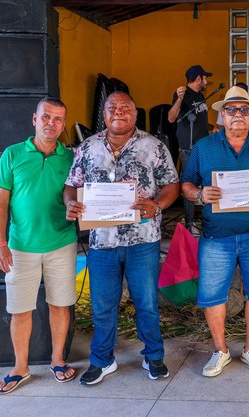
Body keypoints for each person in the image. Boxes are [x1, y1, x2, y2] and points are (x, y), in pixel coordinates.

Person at [64, 91, 179, 385]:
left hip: (143, 240)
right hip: (102, 242)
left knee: (147, 303)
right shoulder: (87, 147)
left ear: (135, 113)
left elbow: (171, 185)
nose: (118, 111)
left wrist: (158, 205)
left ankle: (153, 356)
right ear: (104, 114)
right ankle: (102, 360)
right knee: (103, 306)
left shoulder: (154, 146)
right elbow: (72, 185)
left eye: (125, 107)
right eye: (112, 107)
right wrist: (70, 203)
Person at [180, 86, 249, 378]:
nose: (238, 114)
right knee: (213, 296)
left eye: (244, 109)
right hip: (216, 237)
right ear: (222, 115)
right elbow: (186, 184)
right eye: (231, 109)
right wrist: (199, 194)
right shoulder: (204, 147)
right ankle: (221, 351)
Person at [0, 98, 78, 394]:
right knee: (20, 309)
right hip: (20, 246)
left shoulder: (71, 158)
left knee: (60, 305)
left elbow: (79, 194)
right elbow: (0, 202)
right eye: (46, 117)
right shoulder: (13, 154)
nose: (51, 123)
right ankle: (20, 367)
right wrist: (0, 243)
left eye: (58, 119)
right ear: (34, 119)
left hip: (61, 242)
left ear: (63, 125)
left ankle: (57, 360)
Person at [168, 64, 212, 232]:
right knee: (189, 183)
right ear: (198, 78)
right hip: (189, 147)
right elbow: (171, 118)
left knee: (206, 180)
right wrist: (179, 99)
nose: (206, 81)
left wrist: (213, 127)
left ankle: (206, 219)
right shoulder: (182, 93)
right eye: (205, 78)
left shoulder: (200, 96)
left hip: (203, 146)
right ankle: (189, 223)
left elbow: (200, 120)